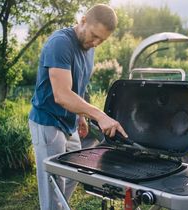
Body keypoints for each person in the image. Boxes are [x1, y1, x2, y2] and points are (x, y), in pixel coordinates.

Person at [28, 4, 128, 210]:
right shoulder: (60, 44)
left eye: (102, 40)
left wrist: (81, 116)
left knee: (75, 171)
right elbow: (62, 95)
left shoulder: (89, 48)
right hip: (48, 121)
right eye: (94, 35)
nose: (96, 42)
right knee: (52, 183)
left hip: (69, 122)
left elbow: (78, 85)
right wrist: (99, 115)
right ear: (83, 20)